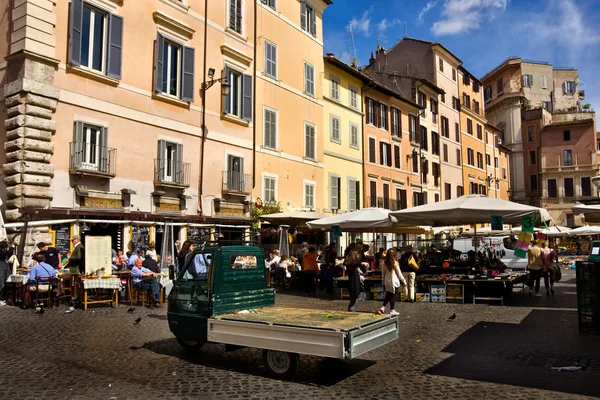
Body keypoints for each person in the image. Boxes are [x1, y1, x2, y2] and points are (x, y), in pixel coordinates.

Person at [377, 248, 406, 315]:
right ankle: (392, 310)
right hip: (394, 282)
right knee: (392, 296)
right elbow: (399, 274)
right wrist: (404, 281)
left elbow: (383, 273)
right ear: (394, 255)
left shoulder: (384, 262)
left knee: (388, 295)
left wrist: (383, 281)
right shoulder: (395, 263)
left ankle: (382, 308)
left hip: (387, 281)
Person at [345, 247, 363, 312]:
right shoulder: (351, 264)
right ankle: (351, 310)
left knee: (354, 299)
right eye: (358, 254)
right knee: (353, 299)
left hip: (354, 283)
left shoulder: (352, 264)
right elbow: (353, 264)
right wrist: (361, 263)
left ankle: (351, 310)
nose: (359, 256)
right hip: (353, 284)